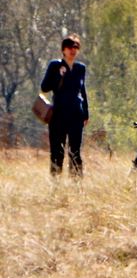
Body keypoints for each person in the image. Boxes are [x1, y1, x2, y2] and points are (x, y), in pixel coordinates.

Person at [41, 34, 89, 178]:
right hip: (58, 115)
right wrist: (59, 76)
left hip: (76, 114)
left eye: (76, 47)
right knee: (57, 152)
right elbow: (44, 87)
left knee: (75, 152)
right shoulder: (55, 65)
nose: (73, 50)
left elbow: (83, 91)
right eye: (69, 47)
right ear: (63, 50)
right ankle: (55, 185)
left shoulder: (81, 68)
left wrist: (86, 113)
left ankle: (76, 185)